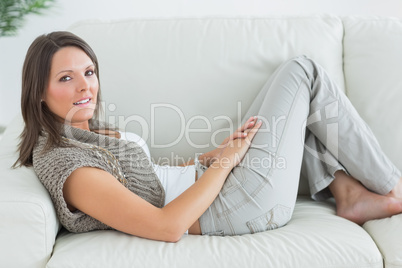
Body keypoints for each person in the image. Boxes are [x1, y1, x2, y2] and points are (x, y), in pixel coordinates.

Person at [14, 31, 402, 242]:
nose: (86, 86)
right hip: (230, 207)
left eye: (90, 71)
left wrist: (210, 157)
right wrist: (224, 165)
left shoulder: (86, 134)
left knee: (300, 113)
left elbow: (152, 178)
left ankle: (348, 194)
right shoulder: (69, 166)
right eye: (66, 78)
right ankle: (393, 185)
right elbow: (166, 226)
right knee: (304, 71)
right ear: (39, 92)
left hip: (222, 185)